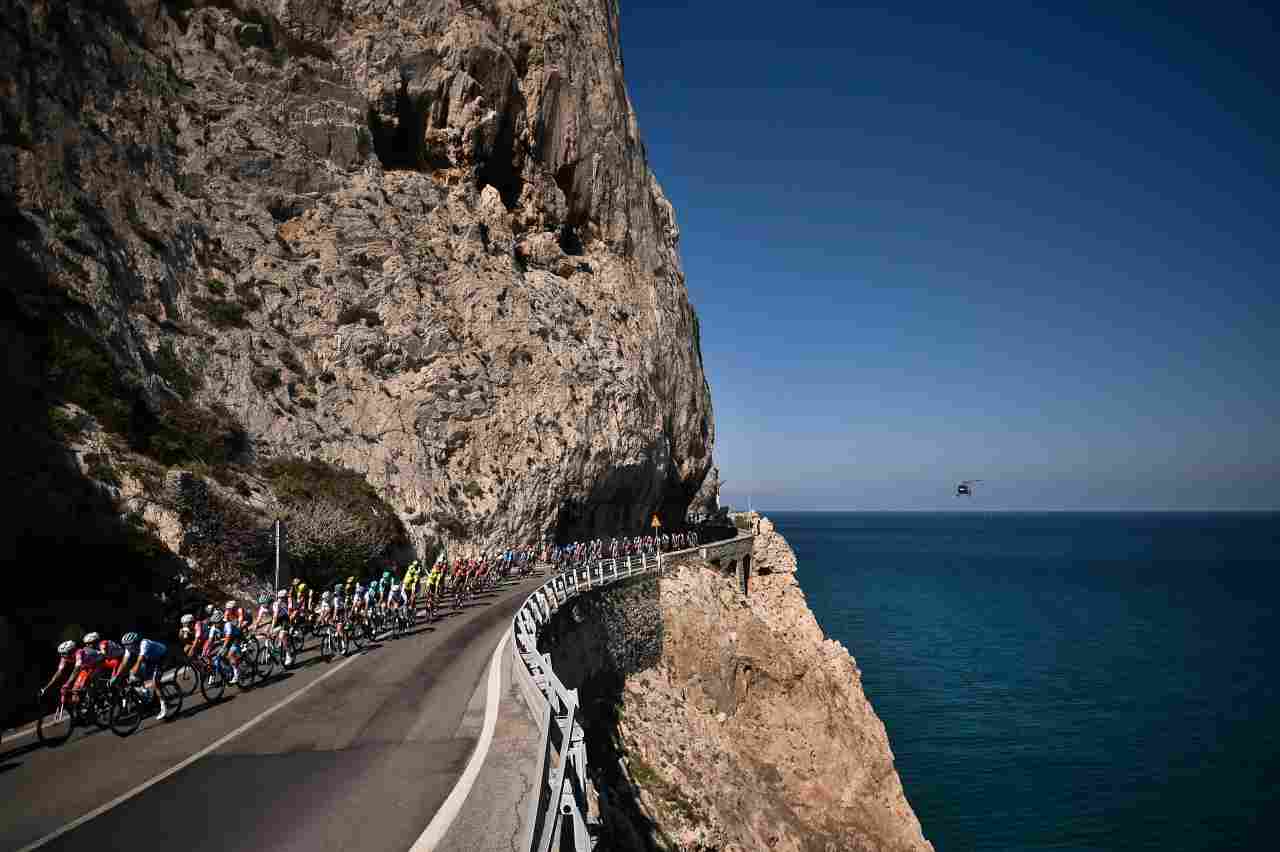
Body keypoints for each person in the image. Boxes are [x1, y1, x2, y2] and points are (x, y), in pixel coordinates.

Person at [117, 632, 170, 720]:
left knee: (155, 682)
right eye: (125, 645)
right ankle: (148, 695)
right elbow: (124, 662)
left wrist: (133, 671)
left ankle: (164, 706)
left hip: (162, 657)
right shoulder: (128, 648)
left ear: (135, 642)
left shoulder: (144, 643)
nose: (127, 647)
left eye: (128, 645)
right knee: (137, 676)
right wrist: (116, 676)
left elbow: (140, 659)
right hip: (150, 659)